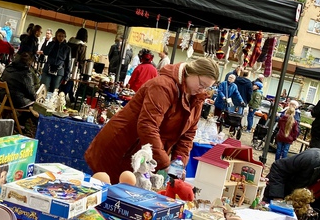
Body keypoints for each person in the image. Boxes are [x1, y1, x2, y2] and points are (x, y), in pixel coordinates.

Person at [85, 57, 220, 182]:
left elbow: (187, 136)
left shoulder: (196, 98)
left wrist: (178, 164)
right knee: (106, 194)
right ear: (190, 72)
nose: (202, 90)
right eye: (201, 84)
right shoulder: (163, 86)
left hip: (144, 154)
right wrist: (166, 164)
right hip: (122, 148)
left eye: (207, 87)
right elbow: (148, 126)